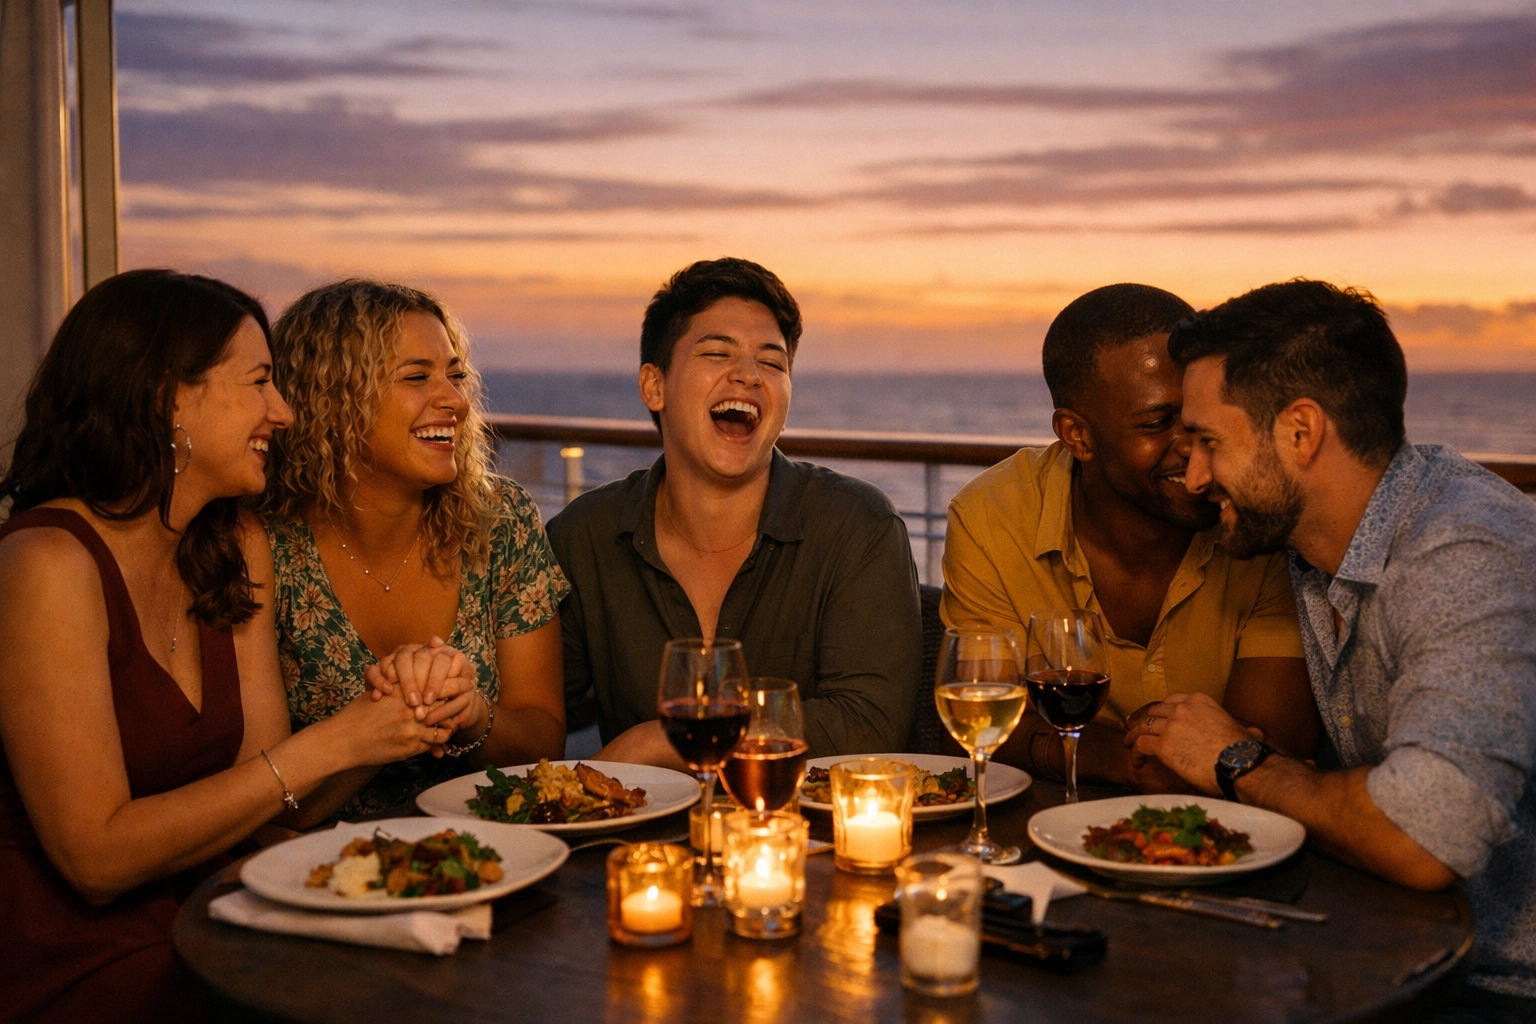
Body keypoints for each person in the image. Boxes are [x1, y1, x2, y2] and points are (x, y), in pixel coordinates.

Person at [0, 270, 472, 1022]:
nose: (282, 413)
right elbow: (95, 860)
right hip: (85, 964)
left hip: (227, 920)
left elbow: (270, 813)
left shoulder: (234, 543)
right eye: (258, 383)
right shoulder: (47, 564)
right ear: (169, 397)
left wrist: (395, 716)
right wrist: (339, 741)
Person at [1130, 280, 1536, 1019]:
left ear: (1300, 432)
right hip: (1378, 949)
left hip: (1495, 988)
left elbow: (1425, 835)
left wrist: (1239, 762)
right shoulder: (1311, 547)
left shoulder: (1461, 553)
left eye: (1209, 444)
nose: (1191, 478)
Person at [941, 284, 1318, 789]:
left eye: (1199, 419)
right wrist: (1127, 759)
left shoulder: (1253, 512)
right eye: (1159, 423)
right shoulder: (993, 516)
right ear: (1077, 435)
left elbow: (1272, 748)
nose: (1192, 449)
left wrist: (1080, 747)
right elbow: (981, 724)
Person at [547, 257, 922, 764]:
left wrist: (661, 741)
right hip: (644, 841)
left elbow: (869, 725)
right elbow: (537, 718)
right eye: (718, 352)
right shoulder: (583, 536)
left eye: (772, 363)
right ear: (654, 386)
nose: (748, 375)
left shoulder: (857, 525)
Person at [260, 280, 569, 823]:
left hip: (486, 856)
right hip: (319, 875)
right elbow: (262, 803)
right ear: (332, 400)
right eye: (417, 377)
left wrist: (474, 716)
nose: (455, 399)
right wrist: (384, 724)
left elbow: (545, 742)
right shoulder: (262, 547)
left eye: (454, 374)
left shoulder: (501, 521)